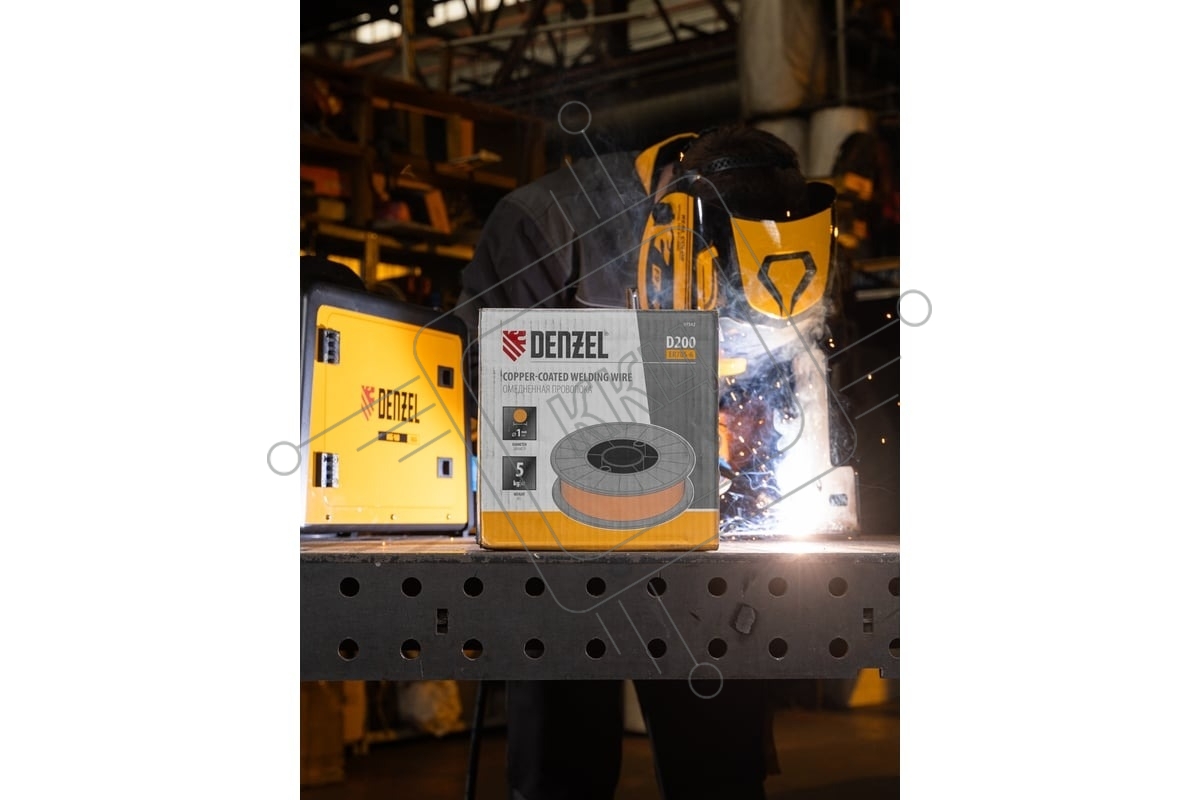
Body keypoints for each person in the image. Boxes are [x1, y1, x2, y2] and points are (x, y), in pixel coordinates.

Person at [454, 124, 839, 800]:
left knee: (721, 775)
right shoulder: (548, 223)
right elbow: (479, 380)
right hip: (562, 553)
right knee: (562, 777)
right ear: (673, 232)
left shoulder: (774, 230)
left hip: (701, 558)